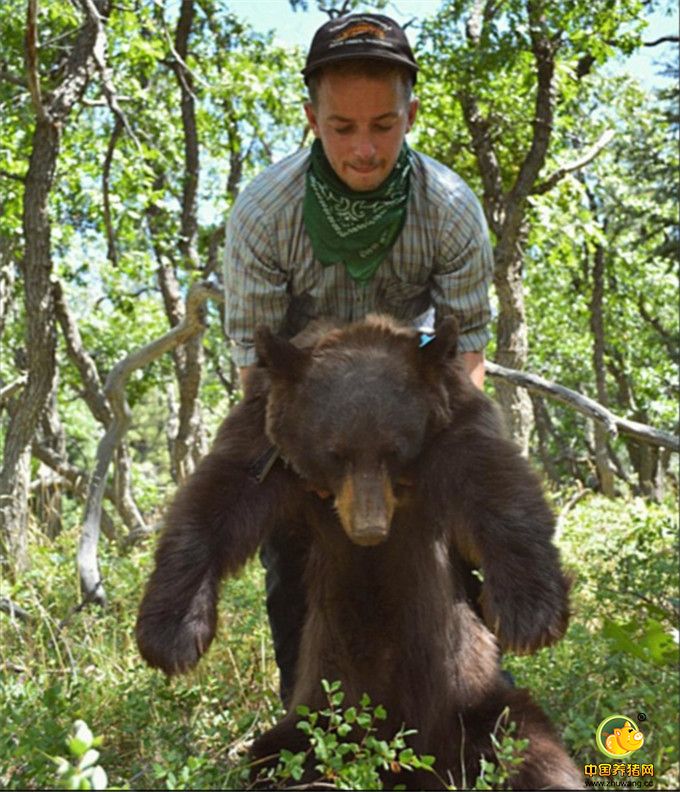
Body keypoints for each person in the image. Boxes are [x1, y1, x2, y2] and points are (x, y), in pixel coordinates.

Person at [223, 12, 494, 706]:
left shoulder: (451, 209)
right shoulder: (264, 214)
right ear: (312, 117)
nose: (365, 149)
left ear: (413, 114)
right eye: (342, 128)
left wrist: (424, 469)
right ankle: (311, 730)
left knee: (467, 531)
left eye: (384, 125)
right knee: (294, 549)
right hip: (311, 425)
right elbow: (259, 373)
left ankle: (469, 708)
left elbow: (464, 358)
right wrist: (310, 469)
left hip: (416, 416)